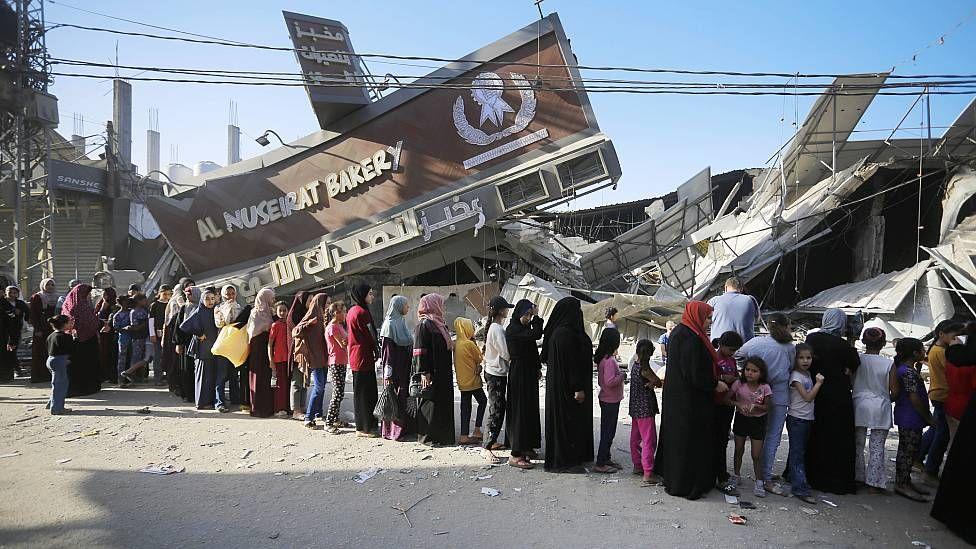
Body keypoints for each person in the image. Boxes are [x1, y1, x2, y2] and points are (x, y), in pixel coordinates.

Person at [654, 301, 729, 499]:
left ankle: (680, 479)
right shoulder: (688, 337)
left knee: (683, 440)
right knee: (687, 441)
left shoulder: (687, 333)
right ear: (697, 316)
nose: (708, 322)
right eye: (707, 318)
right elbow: (694, 372)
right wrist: (714, 384)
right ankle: (685, 484)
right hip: (688, 402)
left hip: (683, 399)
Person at [733, 312, 795, 495]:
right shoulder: (789, 347)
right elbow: (791, 368)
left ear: (767, 325)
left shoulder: (755, 343)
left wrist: (744, 376)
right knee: (772, 437)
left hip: (752, 395)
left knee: (749, 437)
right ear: (786, 326)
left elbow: (738, 355)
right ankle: (764, 478)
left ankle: (745, 475)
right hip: (780, 395)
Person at [805, 308, 860, 495]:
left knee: (815, 433)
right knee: (837, 438)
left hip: (816, 392)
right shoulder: (844, 346)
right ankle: (834, 480)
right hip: (838, 397)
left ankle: (808, 475)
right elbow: (854, 363)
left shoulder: (812, 340)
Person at [931, 321, 976, 544]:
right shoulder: (955, 357)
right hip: (961, 404)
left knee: (948, 445)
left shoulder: (953, 355)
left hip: (952, 403)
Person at [542, 297, 594, 473]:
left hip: (561, 387)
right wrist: (578, 387)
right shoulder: (565, 335)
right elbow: (571, 365)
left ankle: (569, 457)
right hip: (566, 390)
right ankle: (564, 462)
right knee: (566, 423)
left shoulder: (561, 332)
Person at [919, 320, 964, 484]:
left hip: (938, 393)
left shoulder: (937, 349)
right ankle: (930, 470)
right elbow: (953, 371)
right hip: (943, 394)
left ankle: (918, 457)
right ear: (941, 334)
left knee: (936, 429)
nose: (956, 339)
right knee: (942, 435)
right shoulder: (941, 352)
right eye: (954, 336)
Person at [853, 327, 894, 494]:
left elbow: (850, 382)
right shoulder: (889, 363)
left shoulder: (857, 360)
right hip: (881, 406)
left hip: (859, 404)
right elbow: (894, 389)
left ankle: (857, 477)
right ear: (883, 344)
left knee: (857, 444)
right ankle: (874, 483)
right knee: (877, 447)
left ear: (863, 341)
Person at [892, 337, 934, 501]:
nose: (924, 352)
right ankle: (902, 483)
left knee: (909, 450)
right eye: (922, 350)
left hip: (909, 415)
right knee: (907, 451)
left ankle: (905, 481)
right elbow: (914, 399)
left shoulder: (906, 369)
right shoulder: (907, 372)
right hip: (910, 415)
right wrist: (928, 417)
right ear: (915, 353)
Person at [505, 299, 544, 466]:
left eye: (529, 314)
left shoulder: (524, 328)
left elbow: (532, 350)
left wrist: (537, 368)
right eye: (526, 314)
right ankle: (516, 453)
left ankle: (526, 446)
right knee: (520, 411)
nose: (528, 318)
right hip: (519, 374)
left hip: (528, 373)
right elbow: (536, 335)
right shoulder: (513, 329)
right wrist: (536, 317)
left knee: (529, 410)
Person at [413, 293, 456, 447]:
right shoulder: (424, 325)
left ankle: (443, 436)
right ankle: (428, 437)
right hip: (431, 372)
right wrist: (424, 372)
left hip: (443, 371)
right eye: (440, 304)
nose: (443, 307)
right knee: (430, 404)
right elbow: (419, 350)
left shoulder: (440, 324)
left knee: (442, 403)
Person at [729, 357, 773, 498]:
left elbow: (768, 406)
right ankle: (736, 475)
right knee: (738, 449)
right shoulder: (738, 384)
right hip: (741, 419)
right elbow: (726, 399)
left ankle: (759, 482)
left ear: (761, 373)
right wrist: (738, 404)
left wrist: (757, 406)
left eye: (754, 371)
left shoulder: (765, 387)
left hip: (758, 421)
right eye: (747, 369)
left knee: (756, 454)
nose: (750, 373)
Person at [786, 343, 824, 504]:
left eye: (808, 357)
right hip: (797, 419)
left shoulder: (807, 374)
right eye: (801, 357)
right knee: (798, 454)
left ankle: (793, 478)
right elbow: (807, 397)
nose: (805, 361)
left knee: (798, 451)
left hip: (806, 418)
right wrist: (819, 383)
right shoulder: (796, 376)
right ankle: (800, 488)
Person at [179, 288, 223, 411]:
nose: (210, 301)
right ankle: (201, 402)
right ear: (202, 300)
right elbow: (184, 325)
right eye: (207, 299)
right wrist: (198, 334)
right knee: (202, 376)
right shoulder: (199, 312)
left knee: (211, 376)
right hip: (202, 349)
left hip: (213, 347)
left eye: (212, 299)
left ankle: (209, 400)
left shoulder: (215, 311)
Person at [482, 296, 514, 463]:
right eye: (506, 308)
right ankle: (486, 447)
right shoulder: (498, 329)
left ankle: (491, 441)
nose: (507, 311)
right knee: (496, 410)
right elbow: (506, 353)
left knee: (498, 408)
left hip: (494, 372)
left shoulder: (495, 327)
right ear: (501, 311)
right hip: (496, 374)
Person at [380, 296, 415, 441]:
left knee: (403, 398)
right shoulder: (389, 325)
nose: (408, 308)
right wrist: (388, 376)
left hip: (404, 368)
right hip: (395, 371)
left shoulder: (401, 322)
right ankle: (392, 432)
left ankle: (404, 429)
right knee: (394, 400)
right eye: (406, 305)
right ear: (399, 306)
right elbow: (387, 353)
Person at [629, 339, 662, 486]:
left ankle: (638, 465)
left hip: (635, 406)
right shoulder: (645, 368)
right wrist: (653, 382)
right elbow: (658, 381)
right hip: (645, 408)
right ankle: (648, 472)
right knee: (649, 440)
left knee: (635, 438)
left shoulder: (634, 366)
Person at [347, 283, 379, 437]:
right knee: (366, 393)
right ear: (362, 295)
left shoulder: (352, 311)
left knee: (360, 393)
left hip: (356, 356)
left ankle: (363, 425)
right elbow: (371, 334)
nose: (372, 296)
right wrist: (377, 349)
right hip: (363, 356)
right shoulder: (362, 312)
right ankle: (365, 428)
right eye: (370, 293)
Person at [714, 331, 743, 494]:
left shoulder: (731, 360)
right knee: (716, 440)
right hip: (716, 405)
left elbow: (736, 376)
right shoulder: (715, 358)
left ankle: (721, 473)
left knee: (723, 440)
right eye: (731, 349)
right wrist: (724, 378)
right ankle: (719, 476)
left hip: (728, 405)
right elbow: (711, 376)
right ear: (722, 345)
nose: (733, 353)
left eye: (735, 350)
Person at [293, 293, 328, 430]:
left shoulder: (323, 317)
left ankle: (318, 413)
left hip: (324, 357)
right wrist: (308, 324)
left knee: (322, 386)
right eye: (325, 303)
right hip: (315, 358)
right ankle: (309, 417)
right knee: (318, 387)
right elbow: (295, 331)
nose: (326, 306)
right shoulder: (311, 316)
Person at [593, 327, 625, 474]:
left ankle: (606, 458)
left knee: (608, 430)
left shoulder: (603, 358)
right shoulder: (610, 361)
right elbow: (610, 381)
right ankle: (600, 462)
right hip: (610, 400)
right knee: (608, 432)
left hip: (607, 398)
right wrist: (622, 376)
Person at [61, 284, 101, 396]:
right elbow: (89, 322)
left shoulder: (68, 304)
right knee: (84, 365)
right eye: (88, 294)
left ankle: (78, 388)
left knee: (77, 365)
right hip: (84, 340)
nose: (89, 296)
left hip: (74, 339)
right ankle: (85, 388)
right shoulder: (80, 306)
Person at [454, 316, 487, 445]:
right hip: (472, 380)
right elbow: (479, 358)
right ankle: (477, 430)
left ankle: (464, 435)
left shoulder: (457, 343)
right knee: (483, 401)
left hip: (462, 381)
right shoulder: (468, 343)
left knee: (465, 407)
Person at [214, 284, 246, 410]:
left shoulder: (239, 307)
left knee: (234, 374)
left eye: (232, 293)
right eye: (227, 294)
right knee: (221, 375)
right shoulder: (218, 308)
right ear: (223, 295)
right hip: (223, 345)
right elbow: (220, 323)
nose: (230, 296)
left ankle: (235, 399)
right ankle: (219, 402)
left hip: (235, 346)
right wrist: (227, 309)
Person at [944, 321, 976, 444]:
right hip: (967, 404)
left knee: (954, 441)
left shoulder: (951, 359)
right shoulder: (970, 365)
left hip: (951, 402)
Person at [246, 288, 275, 418]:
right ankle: (257, 408)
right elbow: (252, 332)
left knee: (266, 376)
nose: (273, 301)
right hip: (257, 347)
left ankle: (267, 407)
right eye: (271, 298)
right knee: (257, 376)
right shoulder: (255, 313)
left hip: (266, 347)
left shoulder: (270, 312)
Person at [162, 278, 193, 396]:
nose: (190, 289)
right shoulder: (176, 301)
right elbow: (168, 320)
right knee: (174, 360)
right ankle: (175, 385)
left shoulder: (192, 300)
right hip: (174, 332)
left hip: (186, 332)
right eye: (187, 286)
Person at [324, 301, 351, 434]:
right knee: (337, 393)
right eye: (344, 311)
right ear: (336, 313)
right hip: (335, 362)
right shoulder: (333, 327)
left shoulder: (339, 326)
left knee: (340, 393)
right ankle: (328, 422)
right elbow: (343, 343)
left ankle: (335, 418)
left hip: (342, 361)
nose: (346, 314)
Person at [707, 277, 758, 341]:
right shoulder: (750, 300)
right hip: (745, 347)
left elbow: (705, 321)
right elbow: (757, 320)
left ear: (725, 287)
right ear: (741, 289)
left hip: (720, 347)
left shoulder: (714, 301)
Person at [29, 278, 59, 383]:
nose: (50, 287)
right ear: (43, 286)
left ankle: (50, 374)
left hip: (53, 328)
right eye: (48, 285)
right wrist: (37, 328)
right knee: (40, 351)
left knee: (51, 350)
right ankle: (39, 376)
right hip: (41, 327)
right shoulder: (37, 297)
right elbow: (33, 314)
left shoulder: (57, 297)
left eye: (52, 285)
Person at [286, 291, 310, 420]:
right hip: (297, 353)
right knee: (297, 381)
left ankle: (302, 407)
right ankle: (296, 410)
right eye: (309, 300)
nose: (310, 303)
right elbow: (297, 333)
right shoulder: (293, 316)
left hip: (306, 352)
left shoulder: (305, 314)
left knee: (304, 381)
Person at [175, 286, 201, 403]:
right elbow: (178, 327)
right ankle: (188, 394)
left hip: (199, 342)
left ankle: (198, 394)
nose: (187, 297)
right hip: (186, 343)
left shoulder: (202, 308)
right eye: (187, 294)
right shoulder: (184, 308)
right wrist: (178, 343)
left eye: (190, 294)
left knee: (198, 370)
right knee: (186, 369)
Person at [45, 314, 74, 414]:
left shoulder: (51, 335)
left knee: (56, 383)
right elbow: (70, 349)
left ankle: (51, 403)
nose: (71, 324)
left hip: (50, 360)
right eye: (69, 322)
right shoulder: (65, 337)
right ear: (64, 324)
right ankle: (57, 408)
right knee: (61, 385)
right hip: (59, 361)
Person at [1, 286, 30, 382]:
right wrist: (12, 312)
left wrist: (23, 315)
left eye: (14, 292)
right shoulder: (3, 302)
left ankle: (15, 371)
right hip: (4, 331)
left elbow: (27, 313)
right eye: (10, 292)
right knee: (6, 352)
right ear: (6, 292)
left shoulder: (20, 303)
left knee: (12, 351)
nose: (12, 294)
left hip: (15, 331)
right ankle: (12, 372)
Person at [268, 301, 292, 416]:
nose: (282, 312)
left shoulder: (289, 324)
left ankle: (286, 407)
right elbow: (270, 344)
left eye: (284, 310)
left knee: (286, 384)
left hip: (288, 359)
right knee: (279, 385)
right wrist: (271, 360)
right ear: (276, 312)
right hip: (278, 359)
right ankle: (279, 409)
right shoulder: (275, 325)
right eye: (280, 310)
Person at [148, 285, 172, 386]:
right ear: (160, 293)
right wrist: (152, 334)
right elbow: (151, 320)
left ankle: (168, 377)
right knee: (157, 356)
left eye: (168, 294)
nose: (166, 296)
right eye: (164, 294)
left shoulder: (171, 304)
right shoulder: (155, 305)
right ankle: (157, 378)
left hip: (168, 334)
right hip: (157, 334)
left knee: (167, 356)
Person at [94, 287, 119, 384]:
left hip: (110, 334)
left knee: (110, 354)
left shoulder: (114, 305)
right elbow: (96, 315)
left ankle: (111, 376)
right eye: (103, 294)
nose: (104, 297)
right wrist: (102, 309)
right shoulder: (101, 303)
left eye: (106, 295)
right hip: (101, 333)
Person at [125, 293, 151, 382]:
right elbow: (135, 327)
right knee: (136, 357)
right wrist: (146, 323)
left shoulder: (145, 310)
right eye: (144, 300)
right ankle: (131, 375)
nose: (146, 301)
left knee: (144, 358)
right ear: (138, 301)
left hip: (146, 337)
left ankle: (141, 376)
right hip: (138, 338)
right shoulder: (134, 312)